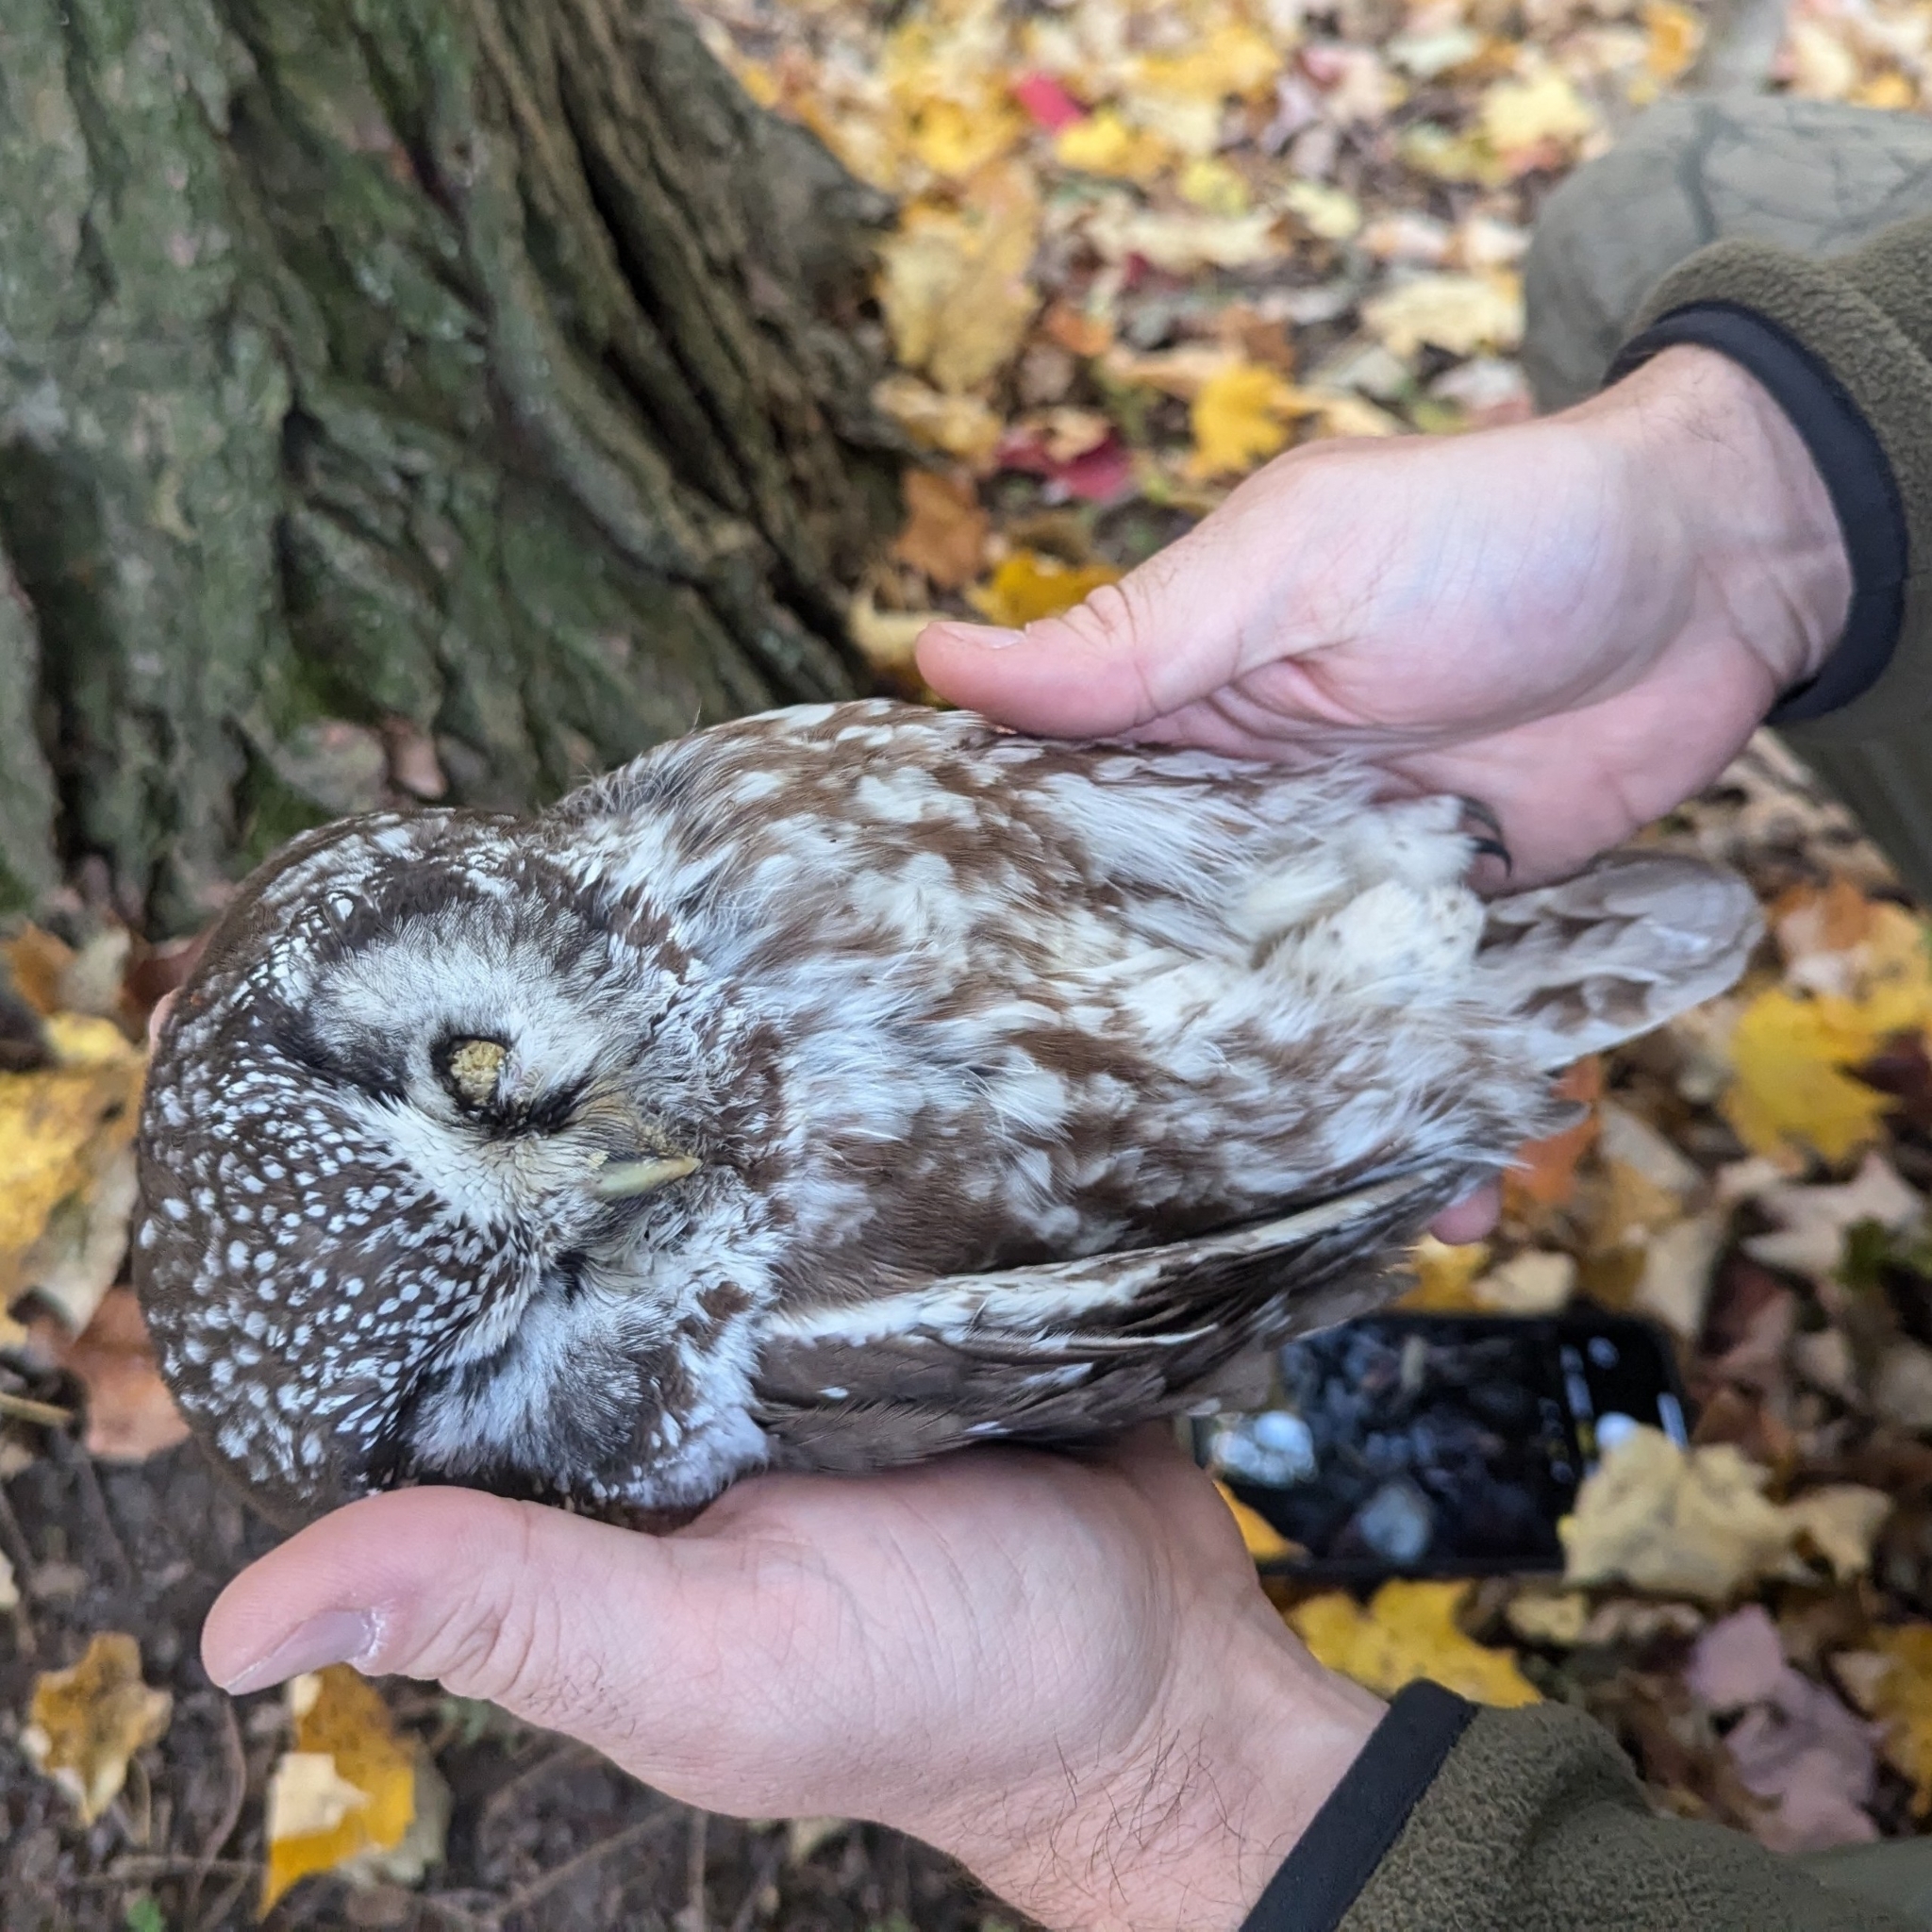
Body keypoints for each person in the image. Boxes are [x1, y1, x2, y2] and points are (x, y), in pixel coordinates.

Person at [201, 98, 1932, 1932]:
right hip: (1386, 941)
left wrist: (1152, 1785)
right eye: (544, 1284)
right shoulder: (774, 1345)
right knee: (1630, 236)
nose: (626, 1161)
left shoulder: (654, 855)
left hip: (1360, 902)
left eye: (486, 1077)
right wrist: (1754, 504)